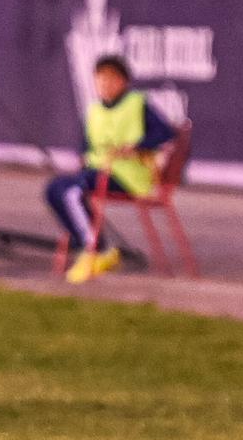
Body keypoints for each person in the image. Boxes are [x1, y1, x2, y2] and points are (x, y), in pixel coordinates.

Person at [45, 55, 175, 284]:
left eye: (111, 79)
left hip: (128, 176)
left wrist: (137, 145)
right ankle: (89, 243)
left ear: (124, 81)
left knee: (71, 192)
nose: (105, 84)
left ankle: (95, 250)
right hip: (97, 173)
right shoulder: (94, 111)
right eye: (101, 79)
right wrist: (84, 159)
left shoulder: (137, 103)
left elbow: (165, 132)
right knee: (54, 189)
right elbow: (87, 148)